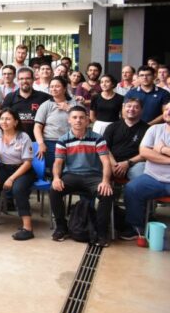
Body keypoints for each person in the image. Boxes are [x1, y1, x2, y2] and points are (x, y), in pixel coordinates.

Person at [49, 106, 114, 247]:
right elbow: (58, 163)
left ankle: (101, 233)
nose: (78, 120)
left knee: (107, 193)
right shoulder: (63, 140)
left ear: (87, 120)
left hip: (93, 177)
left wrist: (105, 181)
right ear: (69, 120)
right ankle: (61, 227)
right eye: (74, 117)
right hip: (71, 176)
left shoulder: (98, 139)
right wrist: (56, 178)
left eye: (81, 117)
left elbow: (106, 161)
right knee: (54, 190)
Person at [0, 109, 35, 240]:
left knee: (18, 189)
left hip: (22, 169)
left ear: (15, 122)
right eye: (2, 118)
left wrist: (11, 178)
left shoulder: (23, 137)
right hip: (3, 167)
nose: (4, 121)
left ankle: (28, 228)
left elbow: (27, 162)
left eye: (8, 119)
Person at [120, 105, 170, 240]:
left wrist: (163, 149)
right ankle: (136, 227)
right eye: (166, 110)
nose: (168, 112)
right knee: (132, 188)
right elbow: (144, 152)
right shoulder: (154, 129)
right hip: (152, 178)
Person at [34, 76, 81, 173]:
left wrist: (69, 109)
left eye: (57, 86)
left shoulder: (75, 104)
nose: (53, 89)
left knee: (72, 171)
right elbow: (37, 127)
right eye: (51, 87)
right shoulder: (46, 105)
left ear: (64, 88)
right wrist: (41, 143)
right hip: (51, 142)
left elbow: (85, 121)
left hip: (73, 142)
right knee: (55, 172)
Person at [103, 98, 149, 181]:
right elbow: (104, 147)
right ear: (123, 108)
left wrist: (127, 163)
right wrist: (114, 165)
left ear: (141, 110)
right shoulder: (112, 126)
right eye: (129, 106)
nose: (131, 109)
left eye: (136, 107)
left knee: (140, 175)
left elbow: (147, 153)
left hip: (134, 164)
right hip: (111, 162)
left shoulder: (148, 129)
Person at [2, 67, 50, 138]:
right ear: (17, 80)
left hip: (38, 140)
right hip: (15, 140)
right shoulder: (10, 97)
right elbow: (4, 119)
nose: (24, 81)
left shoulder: (43, 97)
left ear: (33, 80)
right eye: (21, 79)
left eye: (28, 78)